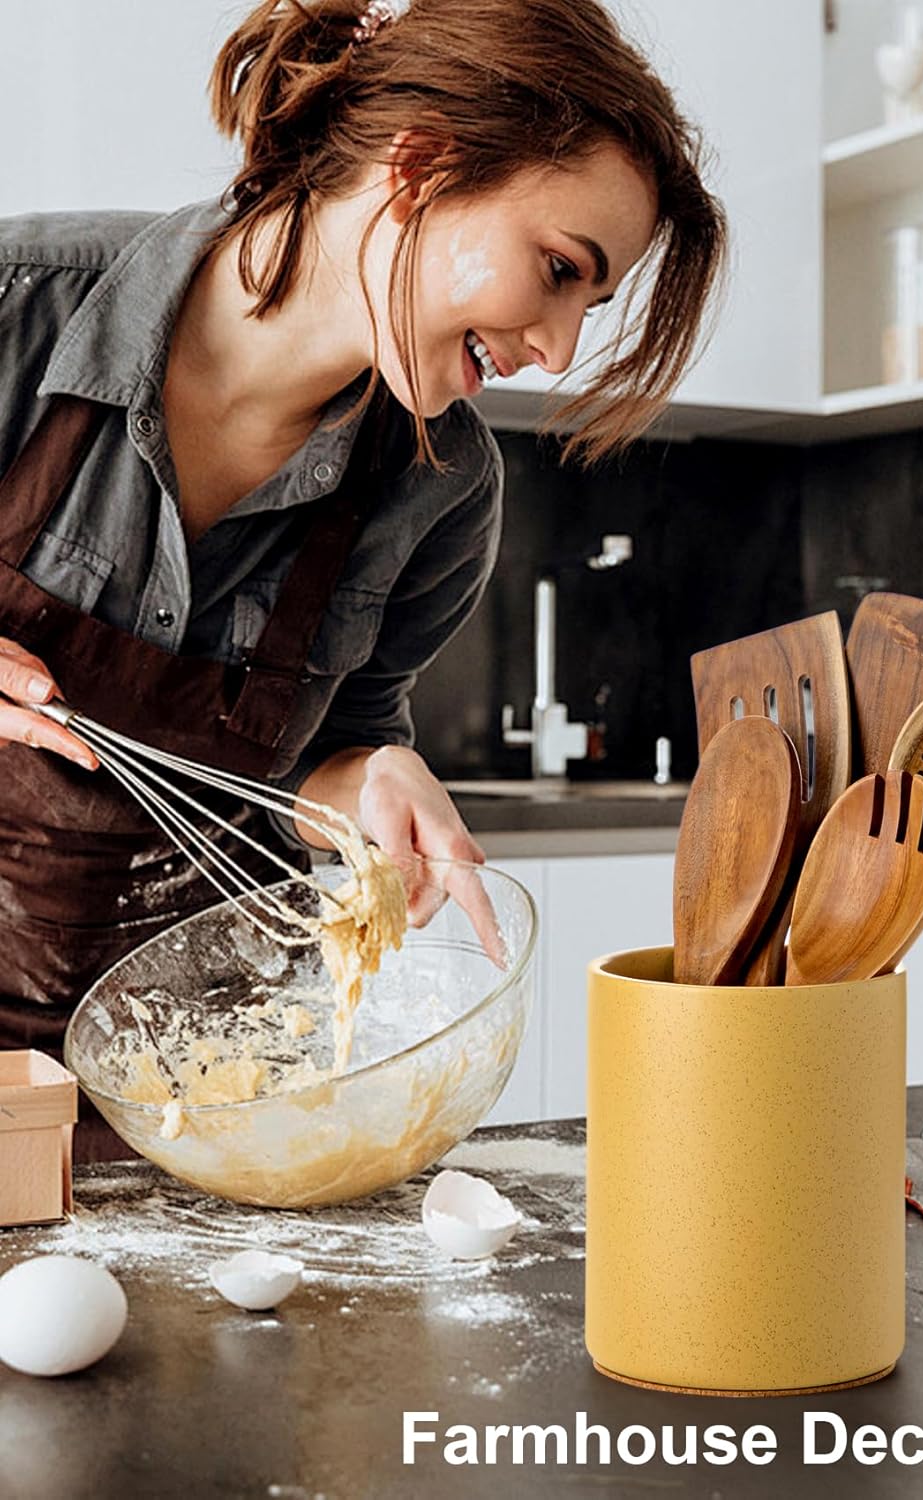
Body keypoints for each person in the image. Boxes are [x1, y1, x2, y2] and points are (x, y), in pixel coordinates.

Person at [0, 0, 726, 1158]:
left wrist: (367, 780)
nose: (559, 346)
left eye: (589, 302)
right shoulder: (17, 309)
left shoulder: (440, 491)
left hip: (204, 1097)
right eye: (558, 270)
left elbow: (320, 767)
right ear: (424, 165)